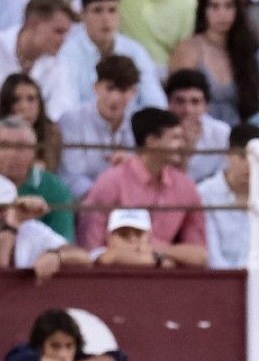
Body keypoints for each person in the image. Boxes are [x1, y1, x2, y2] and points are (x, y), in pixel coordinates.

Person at [76, 107, 209, 261]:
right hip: (113, 275)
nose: (181, 145)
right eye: (174, 138)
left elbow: (199, 256)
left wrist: (156, 252)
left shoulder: (185, 187)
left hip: (166, 279)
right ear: (151, 141)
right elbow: (91, 250)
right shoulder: (111, 182)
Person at [169, 0, 259, 125]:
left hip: (239, 132)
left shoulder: (247, 50)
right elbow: (178, 98)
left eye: (229, 6)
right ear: (204, 11)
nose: (222, 13)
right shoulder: (189, 49)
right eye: (214, 6)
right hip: (199, 129)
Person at [195, 122, 259, 268]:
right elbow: (212, 254)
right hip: (219, 280)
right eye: (243, 157)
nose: (249, 164)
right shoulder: (205, 193)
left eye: (256, 159)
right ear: (228, 155)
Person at [58, 54, 142, 197]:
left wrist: (132, 165)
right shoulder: (72, 121)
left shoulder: (140, 122)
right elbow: (71, 178)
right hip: (85, 205)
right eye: (110, 89)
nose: (115, 98)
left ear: (133, 93)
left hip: (132, 204)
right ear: (96, 87)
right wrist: (108, 197)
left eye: (122, 91)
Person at [170, 69, 234, 184]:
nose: (187, 110)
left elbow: (224, 180)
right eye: (180, 101)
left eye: (195, 102)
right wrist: (186, 151)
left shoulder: (221, 133)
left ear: (206, 106)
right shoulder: (158, 133)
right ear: (169, 104)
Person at [4, 307, 124, 361]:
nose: (63, 354)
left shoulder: (78, 358)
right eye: (55, 346)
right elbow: (15, 359)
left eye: (69, 346)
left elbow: (116, 357)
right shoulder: (27, 353)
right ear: (40, 345)